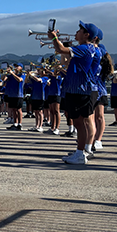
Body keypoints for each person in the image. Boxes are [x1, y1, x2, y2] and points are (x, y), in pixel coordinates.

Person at [50, 21, 98, 164]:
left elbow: (60, 49)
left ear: (86, 35)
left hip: (79, 90)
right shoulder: (86, 48)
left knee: (79, 122)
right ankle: (80, 151)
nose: (76, 32)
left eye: (79, 30)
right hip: (76, 89)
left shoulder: (85, 48)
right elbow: (66, 59)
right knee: (78, 122)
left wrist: (53, 38)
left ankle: (80, 153)